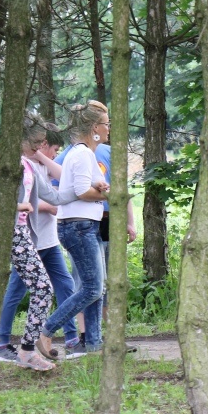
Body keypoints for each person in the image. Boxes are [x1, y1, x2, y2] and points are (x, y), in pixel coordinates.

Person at [0, 122, 81, 359]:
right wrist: (47, 206)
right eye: (53, 149)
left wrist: (42, 156)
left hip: (49, 240)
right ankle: (1, 342)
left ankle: (71, 337)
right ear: (41, 144)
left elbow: (62, 176)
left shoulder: (42, 164)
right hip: (29, 239)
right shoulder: (23, 164)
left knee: (65, 285)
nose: (55, 155)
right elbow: (24, 199)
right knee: (16, 290)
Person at [36, 101, 111, 358]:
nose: (109, 128)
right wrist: (106, 194)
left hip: (85, 225)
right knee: (92, 288)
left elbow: (86, 186)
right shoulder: (82, 154)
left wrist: (100, 188)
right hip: (78, 227)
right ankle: (46, 331)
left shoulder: (83, 153)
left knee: (97, 287)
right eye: (106, 124)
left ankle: (94, 343)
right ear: (94, 128)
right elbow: (81, 191)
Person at [53, 136, 137, 358]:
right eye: (105, 123)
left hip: (109, 219)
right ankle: (83, 336)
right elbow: (58, 188)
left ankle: (108, 337)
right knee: (87, 282)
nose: (108, 129)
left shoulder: (110, 152)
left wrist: (130, 221)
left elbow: (122, 189)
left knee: (108, 282)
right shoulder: (71, 154)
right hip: (83, 222)